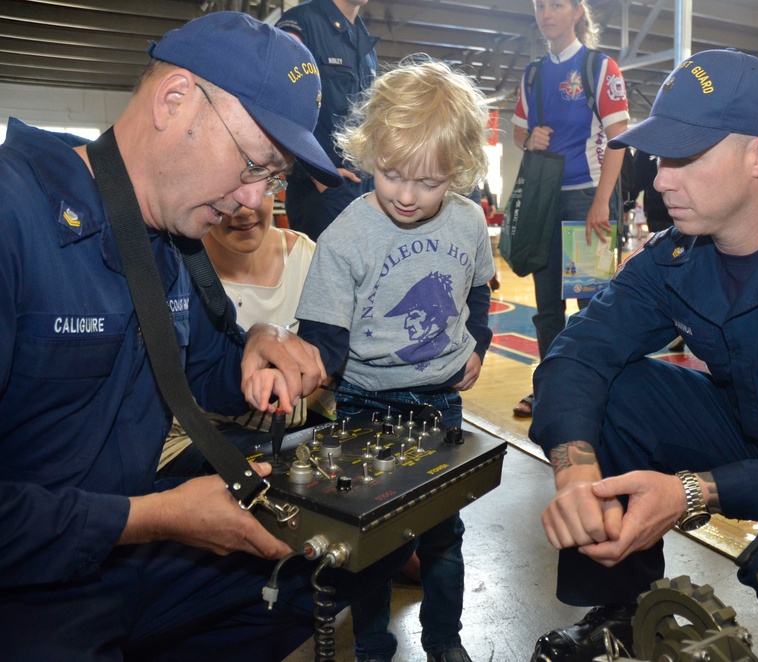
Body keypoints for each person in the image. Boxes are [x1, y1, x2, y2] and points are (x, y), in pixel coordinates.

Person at [0, 12, 411, 660]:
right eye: (253, 162)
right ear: (174, 99)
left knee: (303, 569)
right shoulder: (14, 215)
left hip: (118, 552)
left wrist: (253, 351)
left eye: (273, 177)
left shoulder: (169, 242)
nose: (253, 200)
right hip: (32, 582)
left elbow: (199, 368)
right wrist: (158, 518)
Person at [528, 48, 758, 662]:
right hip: (749, 429)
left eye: (686, 157)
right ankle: (622, 611)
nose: (660, 179)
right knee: (619, 390)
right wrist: (575, 469)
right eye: (659, 157)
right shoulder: (676, 255)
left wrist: (689, 491)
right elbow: (578, 352)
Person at [296, 58, 495, 662]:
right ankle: (374, 647)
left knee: (443, 538)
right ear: (368, 154)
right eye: (391, 175)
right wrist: (308, 368)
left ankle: (444, 641)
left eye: (429, 183)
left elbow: (480, 291)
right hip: (363, 404)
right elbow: (325, 331)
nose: (407, 196)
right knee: (374, 544)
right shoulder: (347, 235)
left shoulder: (467, 223)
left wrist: (480, 346)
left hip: (440, 401)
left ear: (457, 172)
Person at [511, 0, 630, 418]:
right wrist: (529, 140)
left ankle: (593, 389)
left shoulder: (600, 67)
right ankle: (549, 387)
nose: (546, 12)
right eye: (540, 5)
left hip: (587, 199)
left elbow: (619, 137)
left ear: (578, 11)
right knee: (547, 308)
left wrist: (602, 202)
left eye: (556, 4)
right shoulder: (533, 73)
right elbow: (517, 130)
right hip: (545, 200)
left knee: (590, 303)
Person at [158, 195, 319, 476]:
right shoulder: (177, 267)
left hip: (286, 432)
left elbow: (326, 371)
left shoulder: (308, 257)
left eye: (266, 187)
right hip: (186, 442)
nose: (246, 209)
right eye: (228, 195)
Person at [276, 0, 379, 241]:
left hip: (363, 189)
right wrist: (315, 174)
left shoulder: (365, 43)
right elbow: (279, 104)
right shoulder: (301, 23)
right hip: (321, 190)